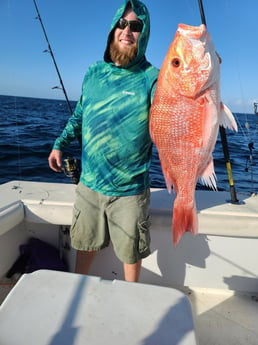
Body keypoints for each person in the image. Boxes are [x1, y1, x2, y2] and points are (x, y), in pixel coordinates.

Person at [48, 0, 159, 282]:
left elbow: (177, 105)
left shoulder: (152, 78)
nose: (127, 30)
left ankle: (130, 297)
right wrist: (60, 143)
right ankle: (79, 290)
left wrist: (204, 68)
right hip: (90, 184)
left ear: (143, 34)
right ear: (112, 29)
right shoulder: (94, 73)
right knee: (84, 244)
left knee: (130, 253)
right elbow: (80, 116)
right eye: (122, 23)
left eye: (135, 26)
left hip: (131, 191)